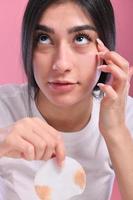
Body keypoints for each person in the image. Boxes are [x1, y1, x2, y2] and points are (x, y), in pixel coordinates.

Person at [0, 0, 133, 199]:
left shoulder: (124, 114)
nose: (61, 64)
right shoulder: (4, 106)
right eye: (44, 38)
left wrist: (116, 132)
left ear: (106, 51)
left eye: (80, 38)